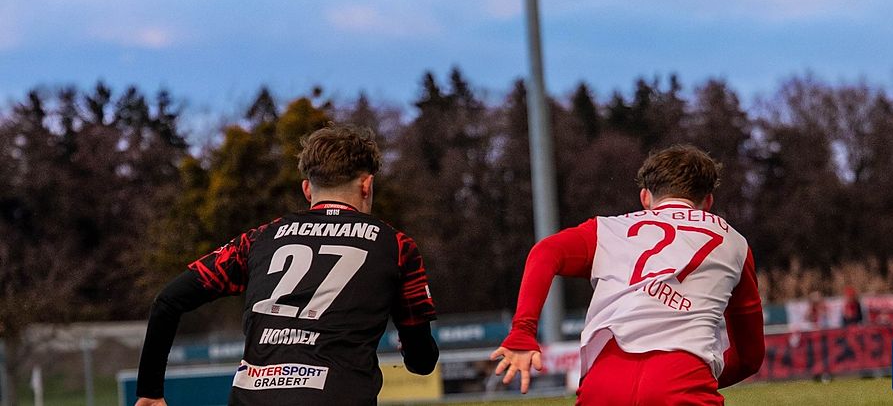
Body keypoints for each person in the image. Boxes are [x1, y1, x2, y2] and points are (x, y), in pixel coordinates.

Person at [134, 124, 438, 406]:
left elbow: (167, 301)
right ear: (367, 185)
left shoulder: (258, 239)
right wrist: (414, 351)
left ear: (307, 189)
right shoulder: (397, 246)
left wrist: (150, 392)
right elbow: (422, 361)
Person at [490, 144, 764, 404]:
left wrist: (523, 331)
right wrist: (702, 378)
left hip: (603, 383)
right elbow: (749, 357)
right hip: (683, 379)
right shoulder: (735, 243)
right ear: (708, 201)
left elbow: (545, 252)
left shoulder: (609, 229)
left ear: (645, 197)